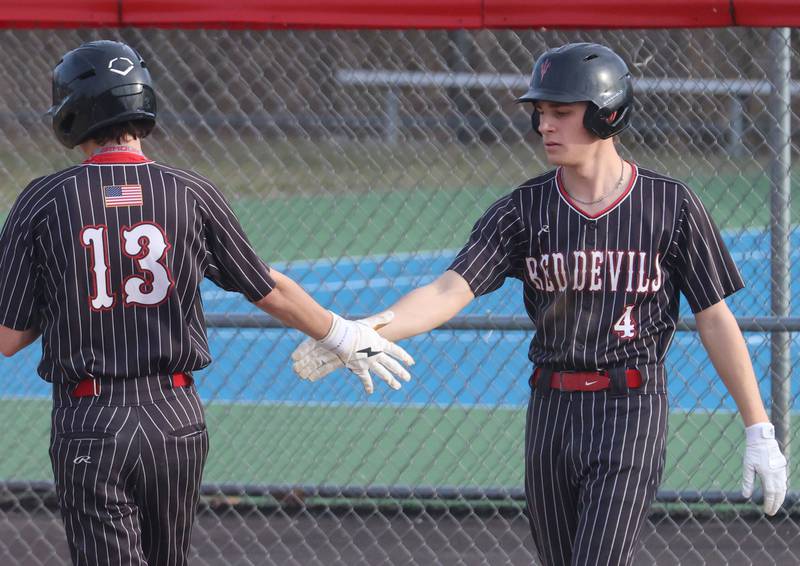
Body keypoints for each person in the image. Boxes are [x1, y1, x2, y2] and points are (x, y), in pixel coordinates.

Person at [291, 42, 788, 565]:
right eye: (540, 113)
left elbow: (714, 317)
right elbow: (448, 290)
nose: (544, 126)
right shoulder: (523, 209)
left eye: (561, 113)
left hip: (631, 408)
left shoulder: (672, 205)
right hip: (551, 409)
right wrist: (366, 331)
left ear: (606, 113)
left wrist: (758, 426)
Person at [0, 40, 413, 566]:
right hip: (175, 416)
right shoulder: (190, 191)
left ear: (73, 109)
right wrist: (342, 333)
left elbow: (8, 337)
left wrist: (59, 291)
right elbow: (267, 286)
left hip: (91, 415)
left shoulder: (43, 199)